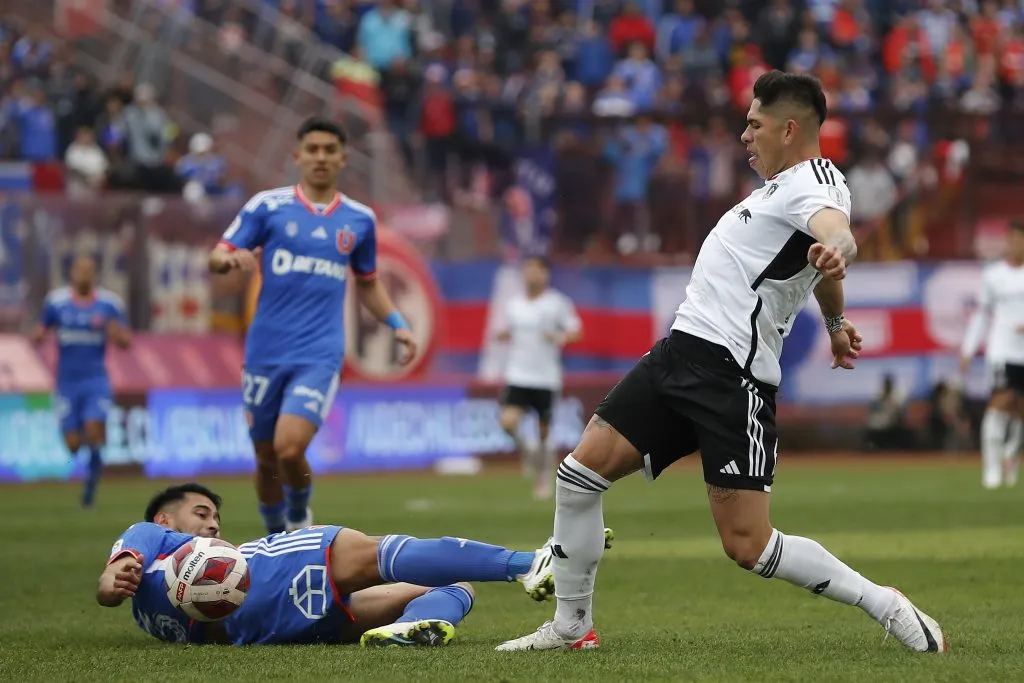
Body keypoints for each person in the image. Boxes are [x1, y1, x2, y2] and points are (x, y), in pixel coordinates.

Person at [496, 71, 946, 654]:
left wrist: (841, 250)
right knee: (579, 477)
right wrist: (835, 322)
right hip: (679, 353)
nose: (744, 135)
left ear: (790, 128)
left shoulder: (814, 186)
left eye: (754, 124)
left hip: (730, 378)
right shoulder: (779, 190)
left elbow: (834, 235)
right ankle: (571, 626)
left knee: (748, 546)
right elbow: (816, 263)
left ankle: (883, 602)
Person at [209, 117, 417, 534]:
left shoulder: (359, 220)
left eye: (329, 150)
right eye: (313, 149)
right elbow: (217, 255)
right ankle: (274, 540)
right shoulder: (267, 207)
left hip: (319, 354)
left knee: (289, 447)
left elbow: (369, 284)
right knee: (266, 457)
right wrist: (230, 259)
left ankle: (300, 519)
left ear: (343, 158)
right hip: (265, 353)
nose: (320, 157)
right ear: (297, 155)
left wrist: (398, 322)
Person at [97, 483, 613, 646]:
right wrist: (113, 570)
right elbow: (139, 537)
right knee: (380, 552)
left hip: (282, 628)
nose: (212, 526)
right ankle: (527, 563)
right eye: (200, 513)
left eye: (215, 517)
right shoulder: (150, 549)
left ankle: (412, 626)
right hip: (277, 577)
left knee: (454, 584)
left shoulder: (155, 592)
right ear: (168, 519)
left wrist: (114, 581)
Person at [31, 255, 131, 507]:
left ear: (94, 275)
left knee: (94, 429)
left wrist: (116, 334)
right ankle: (93, 448)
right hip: (66, 383)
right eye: (80, 270)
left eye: (89, 271)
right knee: (73, 445)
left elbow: (126, 342)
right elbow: (41, 330)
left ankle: (89, 490)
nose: (84, 275)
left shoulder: (109, 305)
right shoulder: (56, 303)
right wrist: (38, 335)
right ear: (72, 274)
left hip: (95, 380)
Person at [495, 256, 583, 499]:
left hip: (545, 377)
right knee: (507, 422)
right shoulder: (514, 305)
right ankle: (528, 452)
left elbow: (577, 331)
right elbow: (508, 330)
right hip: (517, 374)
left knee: (544, 430)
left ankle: (543, 478)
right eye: (528, 270)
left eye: (536, 270)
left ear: (545, 274)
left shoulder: (557, 303)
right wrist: (503, 335)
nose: (531, 274)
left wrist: (558, 337)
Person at [959, 222, 1024, 488]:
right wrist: (968, 348)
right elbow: (981, 315)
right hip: (1003, 351)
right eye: (1015, 239)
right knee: (999, 404)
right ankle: (992, 469)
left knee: (1019, 412)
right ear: (1008, 241)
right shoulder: (993, 275)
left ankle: (1011, 454)